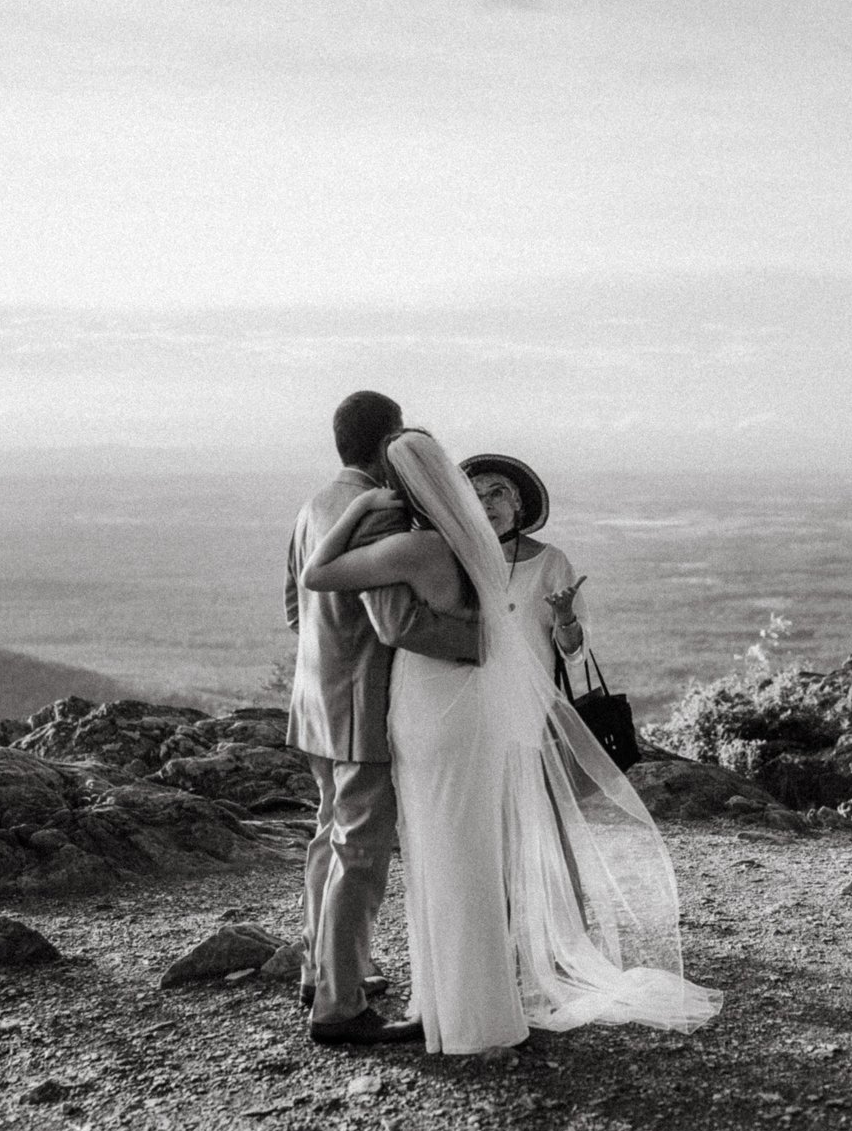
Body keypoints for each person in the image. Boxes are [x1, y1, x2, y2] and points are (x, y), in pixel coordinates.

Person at [300, 429, 720, 1054]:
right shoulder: (476, 551)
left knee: (446, 860)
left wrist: (359, 509)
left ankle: (465, 1009)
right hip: (471, 709)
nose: (489, 501)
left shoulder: (420, 547)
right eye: (477, 490)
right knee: (467, 856)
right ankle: (463, 1001)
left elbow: (317, 575)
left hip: (436, 711)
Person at [284, 391, 483, 1047]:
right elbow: (394, 622)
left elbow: (295, 601)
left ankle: (322, 972)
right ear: (389, 440)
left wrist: (323, 661)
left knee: (327, 836)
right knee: (360, 852)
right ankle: (340, 1006)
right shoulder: (382, 515)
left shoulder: (316, 503)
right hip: (359, 704)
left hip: (314, 698)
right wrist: (484, 641)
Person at [460, 454, 587, 681]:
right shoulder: (458, 559)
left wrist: (565, 617)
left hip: (535, 700)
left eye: (496, 493)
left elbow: (575, 655)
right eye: (476, 496)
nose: (485, 503)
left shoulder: (551, 562)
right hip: (474, 697)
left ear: (517, 502)